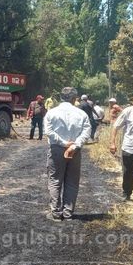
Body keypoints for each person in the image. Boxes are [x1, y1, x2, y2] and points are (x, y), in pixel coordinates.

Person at [44, 87, 91, 220]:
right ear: (74, 99)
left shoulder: (51, 113)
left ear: (60, 97)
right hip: (75, 151)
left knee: (55, 180)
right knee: (72, 182)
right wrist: (75, 145)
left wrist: (64, 143)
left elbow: (49, 131)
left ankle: (56, 213)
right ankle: (68, 213)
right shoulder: (81, 114)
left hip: (57, 149)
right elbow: (86, 132)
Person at [109, 89, 133, 205]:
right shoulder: (128, 111)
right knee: (127, 173)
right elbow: (116, 127)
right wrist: (112, 143)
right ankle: (127, 192)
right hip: (129, 147)